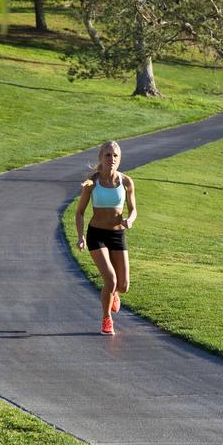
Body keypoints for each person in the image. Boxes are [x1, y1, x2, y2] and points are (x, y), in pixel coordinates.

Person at [75, 141, 136, 335]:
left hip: (117, 234)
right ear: (101, 158)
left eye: (115, 155)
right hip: (97, 235)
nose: (112, 159)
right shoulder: (91, 182)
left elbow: (133, 209)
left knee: (123, 285)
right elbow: (79, 212)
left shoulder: (126, 181)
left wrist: (130, 220)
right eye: (108, 155)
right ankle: (106, 319)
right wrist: (80, 236)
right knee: (110, 279)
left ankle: (114, 293)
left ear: (119, 159)